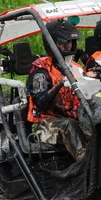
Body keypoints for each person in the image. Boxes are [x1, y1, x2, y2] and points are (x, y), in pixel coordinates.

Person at [26, 18, 87, 160]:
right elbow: (40, 103)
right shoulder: (41, 70)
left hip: (78, 118)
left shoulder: (76, 67)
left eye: (70, 42)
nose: (67, 46)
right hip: (47, 124)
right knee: (69, 126)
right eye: (62, 43)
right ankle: (85, 162)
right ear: (52, 44)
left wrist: (93, 76)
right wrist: (59, 84)